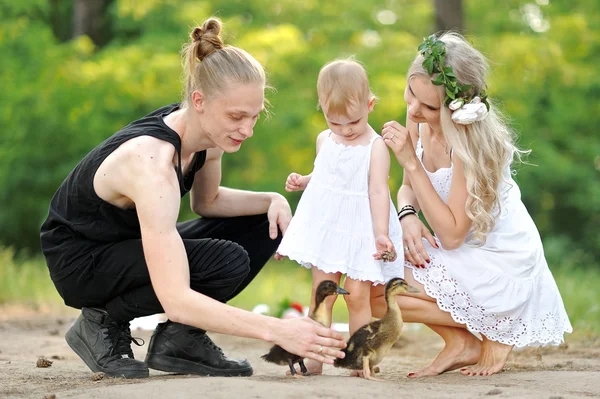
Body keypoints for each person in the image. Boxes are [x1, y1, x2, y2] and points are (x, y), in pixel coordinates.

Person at [39, 17, 345, 379]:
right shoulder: (152, 164)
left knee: (264, 225)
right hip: (80, 262)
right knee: (224, 260)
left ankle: (179, 342)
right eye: (236, 116)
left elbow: (208, 202)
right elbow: (176, 298)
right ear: (199, 101)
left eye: (254, 117)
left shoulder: (208, 136)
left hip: (122, 245)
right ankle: (101, 321)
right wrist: (280, 329)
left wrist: (271, 200)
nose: (246, 130)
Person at [374, 32, 572, 377]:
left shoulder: (471, 145)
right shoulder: (417, 118)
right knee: (375, 286)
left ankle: (499, 329)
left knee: (386, 288)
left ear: (456, 106)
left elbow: (450, 235)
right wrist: (407, 216)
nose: (413, 110)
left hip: (496, 257)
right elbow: (407, 190)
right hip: (458, 248)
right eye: (411, 95)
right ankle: (462, 343)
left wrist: (410, 162)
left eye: (429, 106)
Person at [276, 58, 405, 375]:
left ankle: (360, 358)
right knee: (322, 296)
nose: (345, 130)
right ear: (323, 110)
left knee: (357, 296)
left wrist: (380, 233)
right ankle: (315, 356)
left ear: (370, 104)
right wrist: (305, 180)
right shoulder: (325, 139)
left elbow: (377, 191)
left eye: (353, 122)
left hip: (362, 229)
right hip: (328, 226)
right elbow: (326, 176)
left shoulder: (375, 148)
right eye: (336, 123)